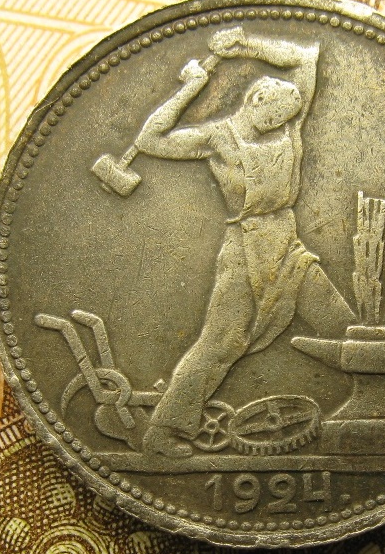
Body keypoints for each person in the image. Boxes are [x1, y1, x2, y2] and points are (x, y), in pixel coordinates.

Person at [136, 27, 356, 457]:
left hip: (287, 244)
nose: (282, 124)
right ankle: (163, 431)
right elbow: (149, 141)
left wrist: (247, 45)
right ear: (255, 101)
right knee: (222, 342)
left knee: (342, 326)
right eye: (274, 116)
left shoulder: (289, 124)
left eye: (288, 118)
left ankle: (373, 414)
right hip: (245, 247)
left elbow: (305, 58)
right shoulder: (218, 137)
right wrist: (190, 88)